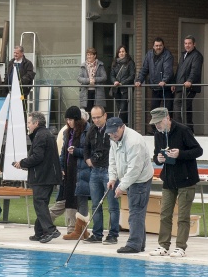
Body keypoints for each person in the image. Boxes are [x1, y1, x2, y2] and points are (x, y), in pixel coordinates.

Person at [148, 107, 203, 258]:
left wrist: (180, 154)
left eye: (159, 123)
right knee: (165, 214)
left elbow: (198, 151)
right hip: (168, 179)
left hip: (186, 179)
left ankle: (180, 247)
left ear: (167, 118)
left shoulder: (183, 131)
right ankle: (163, 245)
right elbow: (156, 155)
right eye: (155, 124)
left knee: (183, 216)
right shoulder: (158, 134)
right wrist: (158, 160)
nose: (157, 126)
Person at [12, 112, 62, 244]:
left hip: (42, 177)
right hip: (48, 176)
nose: (27, 125)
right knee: (42, 204)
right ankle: (39, 232)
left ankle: (51, 230)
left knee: (40, 203)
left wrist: (22, 163)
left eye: (29, 122)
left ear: (36, 123)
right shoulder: (45, 134)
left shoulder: (40, 136)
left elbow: (37, 157)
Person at [107, 117, 154, 254]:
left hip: (140, 179)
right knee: (136, 211)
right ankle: (140, 244)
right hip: (129, 178)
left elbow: (134, 169)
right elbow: (113, 160)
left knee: (136, 211)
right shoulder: (113, 139)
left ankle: (134, 244)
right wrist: (112, 177)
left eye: (115, 132)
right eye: (110, 133)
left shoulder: (134, 142)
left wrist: (121, 186)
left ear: (122, 127)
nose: (113, 135)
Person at [83, 105, 120, 244]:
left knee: (112, 205)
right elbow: (86, 146)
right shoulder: (92, 130)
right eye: (93, 118)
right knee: (95, 205)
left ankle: (113, 234)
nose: (96, 120)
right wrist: (88, 160)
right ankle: (97, 234)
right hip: (95, 170)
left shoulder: (112, 129)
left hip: (109, 171)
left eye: (99, 117)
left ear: (105, 116)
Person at [59, 106, 92, 241]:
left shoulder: (87, 130)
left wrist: (76, 151)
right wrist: (62, 166)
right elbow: (63, 152)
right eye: (67, 119)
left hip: (82, 169)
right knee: (72, 199)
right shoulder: (68, 133)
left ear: (77, 119)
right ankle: (81, 231)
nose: (68, 122)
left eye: (71, 119)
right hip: (70, 170)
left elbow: (89, 150)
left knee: (82, 199)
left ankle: (79, 230)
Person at [171, 35, 204, 131]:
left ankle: (181, 130)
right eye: (185, 43)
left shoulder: (197, 56)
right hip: (180, 86)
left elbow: (195, 70)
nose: (187, 45)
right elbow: (179, 71)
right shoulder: (183, 55)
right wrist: (174, 83)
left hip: (189, 87)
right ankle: (188, 130)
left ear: (194, 44)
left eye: (189, 43)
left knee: (179, 105)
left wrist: (190, 80)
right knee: (186, 109)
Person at [135, 37, 174, 110]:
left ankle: (168, 121)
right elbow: (144, 69)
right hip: (155, 88)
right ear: (153, 46)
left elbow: (168, 69)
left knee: (167, 110)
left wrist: (164, 80)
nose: (158, 47)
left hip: (166, 87)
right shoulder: (149, 54)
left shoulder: (167, 55)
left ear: (163, 46)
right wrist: (139, 80)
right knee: (154, 110)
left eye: (160, 45)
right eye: (156, 45)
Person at [109, 45, 135, 124]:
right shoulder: (115, 63)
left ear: (126, 52)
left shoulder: (130, 63)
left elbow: (132, 76)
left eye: (123, 51)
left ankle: (122, 126)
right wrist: (114, 82)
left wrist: (122, 83)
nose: (121, 53)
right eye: (119, 52)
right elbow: (112, 75)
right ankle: (123, 125)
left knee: (123, 109)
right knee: (119, 108)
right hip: (117, 90)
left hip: (126, 90)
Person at [77, 47, 107, 112]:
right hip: (86, 92)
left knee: (97, 111)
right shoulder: (83, 65)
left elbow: (104, 77)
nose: (89, 56)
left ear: (95, 56)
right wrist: (88, 80)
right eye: (87, 55)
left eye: (90, 55)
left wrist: (95, 79)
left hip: (97, 92)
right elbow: (79, 78)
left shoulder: (100, 65)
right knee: (87, 112)